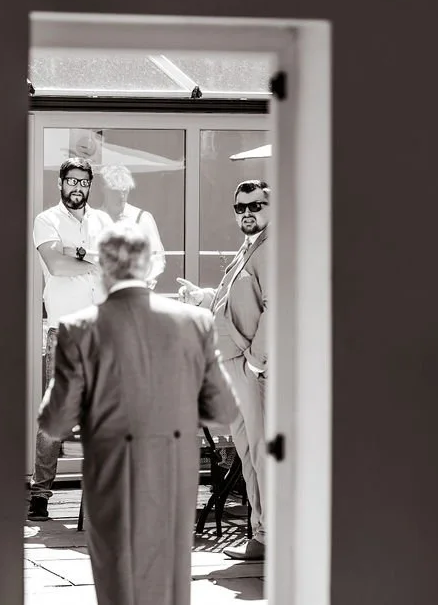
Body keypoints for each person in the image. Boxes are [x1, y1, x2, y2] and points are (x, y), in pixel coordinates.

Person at [38, 222, 240, 605]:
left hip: (110, 468)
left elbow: (55, 421)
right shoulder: (193, 322)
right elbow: (222, 409)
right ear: (149, 266)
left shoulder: (78, 329)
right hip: (172, 469)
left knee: (115, 576)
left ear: (105, 268)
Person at [176, 179, 271, 561]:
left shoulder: (272, 248)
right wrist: (202, 297)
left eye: (256, 205)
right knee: (248, 453)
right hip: (234, 365)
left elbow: (275, 308)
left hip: (253, 370)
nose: (247, 213)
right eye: (240, 208)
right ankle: (263, 533)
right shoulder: (250, 247)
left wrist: (256, 362)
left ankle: (272, 534)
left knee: (263, 452)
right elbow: (235, 303)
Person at [27, 157, 115, 521]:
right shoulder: (47, 220)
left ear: (90, 185)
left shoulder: (103, 221)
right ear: (60, 183)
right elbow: (57, 265)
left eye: (83, 182)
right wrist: (91, 262)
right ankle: (41, 494)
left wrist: (79, 256)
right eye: (71, 181)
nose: (77, 187)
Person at [96, 164, 166, 289]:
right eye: (115, 191)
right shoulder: (93, 218)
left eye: (125, 191)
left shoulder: (142, 218)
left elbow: (158, 258)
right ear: (103, 189)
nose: (121, 197)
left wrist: (144, 280)